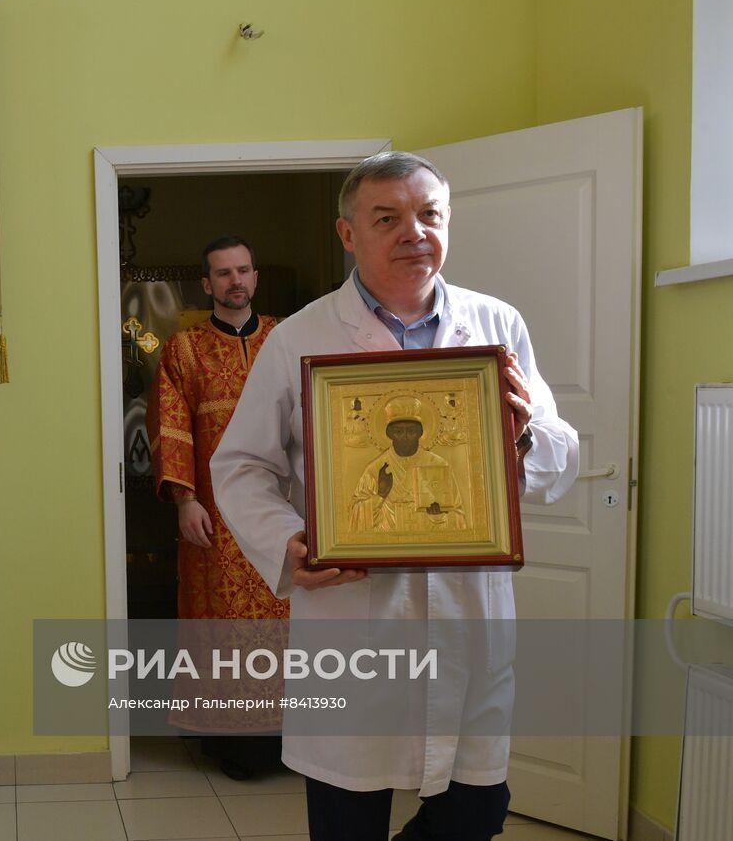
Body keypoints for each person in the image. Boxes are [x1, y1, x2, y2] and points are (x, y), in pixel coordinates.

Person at [211, 152, 578, 841]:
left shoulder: (497, 326)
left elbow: (562, 455)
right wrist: (289, 545)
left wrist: (524, 436)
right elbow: (240, 467)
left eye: (430, 215)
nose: (415, 232)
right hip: (355, 615)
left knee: (477, 807)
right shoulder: (299, 339)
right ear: (348, 233)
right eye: (389, 218)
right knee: (348, 815)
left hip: (469, 615)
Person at [147, 236, 289, 780]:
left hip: (286, 511)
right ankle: (237, 748)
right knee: (222, 629)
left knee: (294, 624)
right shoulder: (183, 350)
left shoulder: (287, 338)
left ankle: (296, 744)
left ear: (255, 277)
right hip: (217, 517)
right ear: (207, 285)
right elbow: (171, 427)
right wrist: (184, 500)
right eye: (223, 273)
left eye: (244, 270)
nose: (235, 281)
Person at [348, 395, 466, 534]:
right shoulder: (375, 469)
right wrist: (380, 495)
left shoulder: (438, 464)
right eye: (398, 431)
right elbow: (355, 518)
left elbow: (459, 517)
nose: (405, 436)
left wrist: (439, 516)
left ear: (420, 433)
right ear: (390, 434)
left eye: (411, 431)